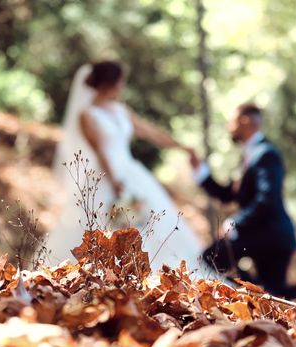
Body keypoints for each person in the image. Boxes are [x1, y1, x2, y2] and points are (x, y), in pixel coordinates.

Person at [46, 61, 206, 272]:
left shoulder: (121, 110)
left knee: (152, 222)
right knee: (110, 227)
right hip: (106, 177)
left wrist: (184, 147)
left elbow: (150, 132)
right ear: (110, 83)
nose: (122, 85)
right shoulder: (87, 115)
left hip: (131, 171)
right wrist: (115, 182)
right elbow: (101, 151)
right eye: (120, 80)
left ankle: (153, 270)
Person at [192, 102, 296, 299]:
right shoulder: (250, 155)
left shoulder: (266, 154)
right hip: (268, 236)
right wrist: (201, 173)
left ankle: (244, 293)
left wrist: (236, 222)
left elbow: (267, 200)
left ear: (245, 121)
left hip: (271, 236)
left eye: (231, 121)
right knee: (275, 294)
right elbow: (228, 195)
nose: (228, 126)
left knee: (211, 258)